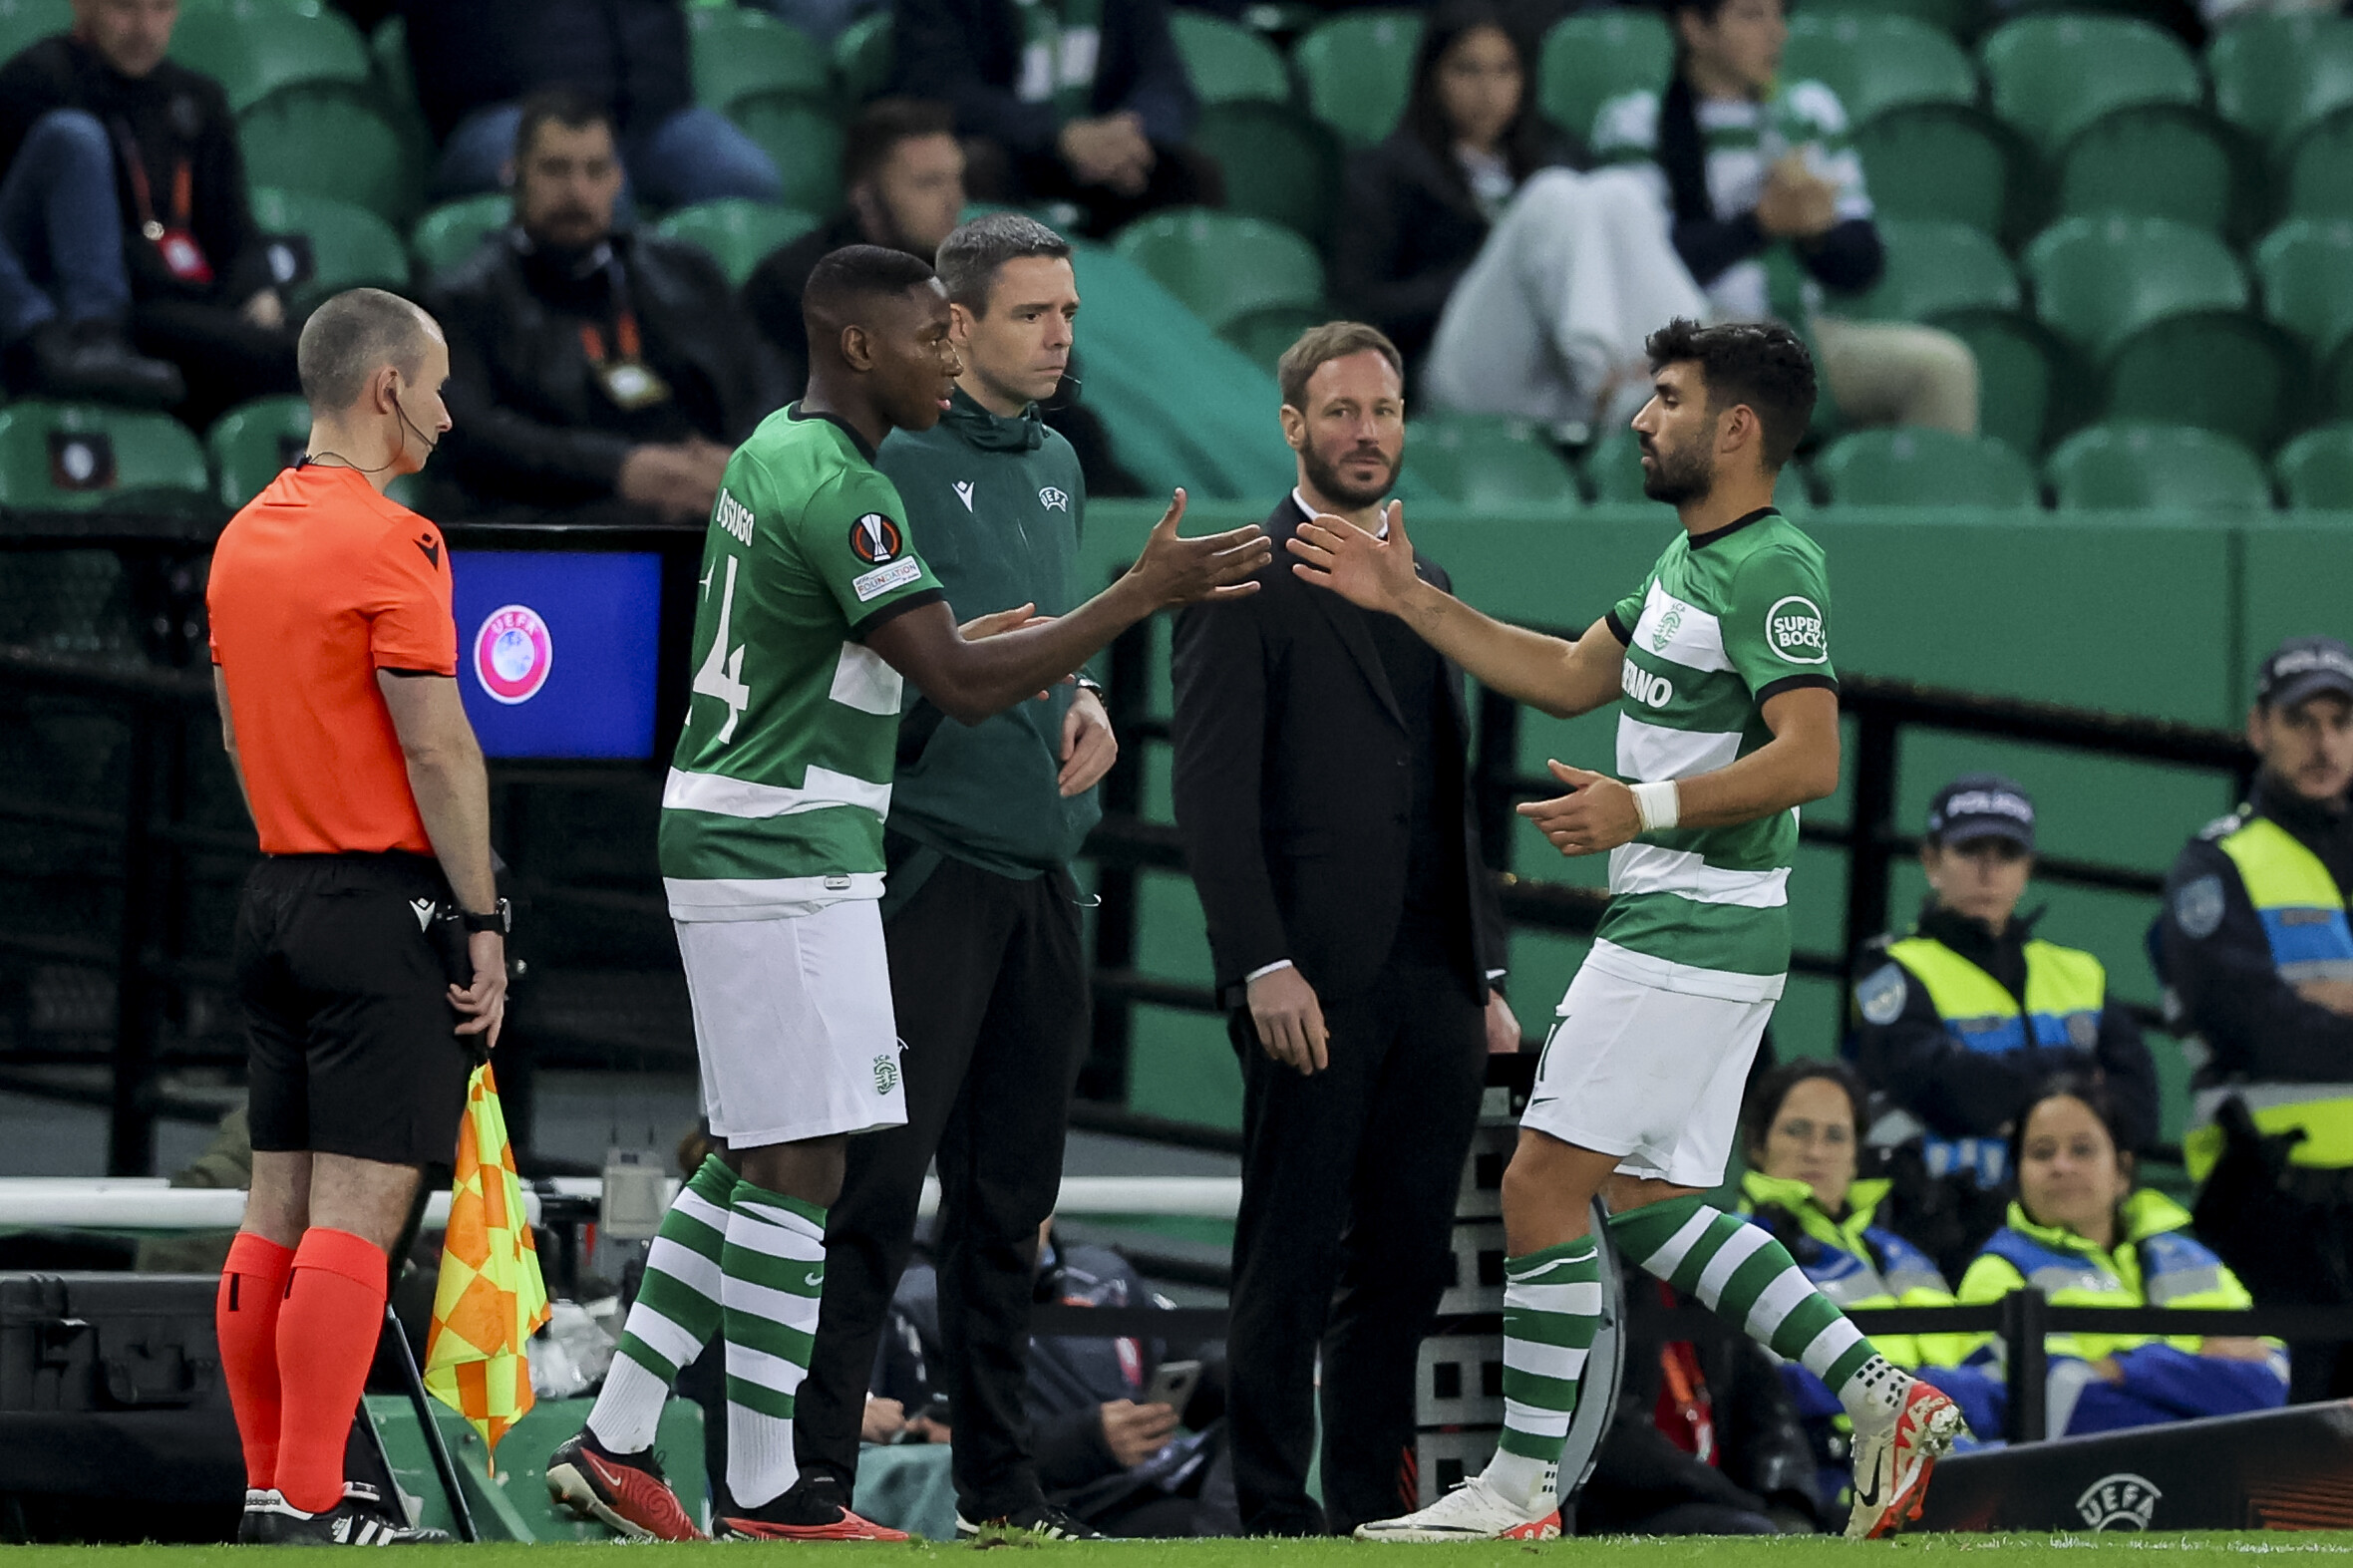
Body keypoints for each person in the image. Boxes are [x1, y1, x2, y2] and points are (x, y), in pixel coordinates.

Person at [541, 242, 1269, 1541]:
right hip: (784, 846)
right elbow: (967, 688)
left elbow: (901, 660)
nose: (951, 354)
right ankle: (763, 1484)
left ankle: (627, 1434)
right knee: (812, 1165)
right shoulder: (851, 490)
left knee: (774, 1154)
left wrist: (972, 651)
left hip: (772, 839)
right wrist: (1139, 594)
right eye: (935, 334)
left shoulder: (778, 448)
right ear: (862, 347)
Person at [1286, 318, 1961, 1543]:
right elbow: (1559, 674)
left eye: (1665, 397)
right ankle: (1883, 1397)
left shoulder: (1770, 567)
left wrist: (1635, 806)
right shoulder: (1684, 561)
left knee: (1541, 1182)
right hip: (1689, 930)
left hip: (1690, 932)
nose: (1642, 419)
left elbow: (1810, 756)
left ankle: (1518, 1493)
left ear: (1736, 427)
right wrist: (1404, 599)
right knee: (1646, 1203)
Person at [781, 214, 1126, 1541]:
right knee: (872, 1192)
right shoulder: (892, 460)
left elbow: (1034, 624)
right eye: (1034, 314)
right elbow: (865, 662)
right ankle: (811, 1478)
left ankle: (1003, 1489)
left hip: (1038, 870)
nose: (1060, 337)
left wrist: (1081, 690)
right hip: (920, 868)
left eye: (1071, 314)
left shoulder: (1056, 464)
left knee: (1010, 1210)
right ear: (957, 326)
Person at [1169, 321, 1519, 1536]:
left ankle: (1370, 1506)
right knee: (1290, 1247)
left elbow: (1452, 791)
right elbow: (1209, 801)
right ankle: (1271, 1509)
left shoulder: (1434, 588)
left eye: (1382, 409)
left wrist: (1481, 970)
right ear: (1291, 428)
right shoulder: (1239, 577)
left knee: (1409, 1258)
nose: (1365, 431)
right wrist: (1258, 960)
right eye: (1340, 411)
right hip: (1307, 979)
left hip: (1431, 979)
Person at [204, 288, 502, 1547]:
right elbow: (437, 749)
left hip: (271, 890)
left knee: (271, 1204)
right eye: (434, 385)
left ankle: (271, 1485)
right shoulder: (396, 542)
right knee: (356, 1213)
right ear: (385, 390)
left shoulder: (239, 534)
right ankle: (320, 1500)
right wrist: (481, 915)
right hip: (381, 902)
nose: (444, 410)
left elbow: (232, 730)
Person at [1589, 0, 1978, 436]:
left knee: (1942, 367)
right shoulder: (1637, 119)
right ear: (1695, 28)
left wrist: (1817, 232)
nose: (1777, 34)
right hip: (1698, 330)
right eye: (1752, 15)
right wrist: (1759, 225)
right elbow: (1644, 268)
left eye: (1778, 15)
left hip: (1802, 330)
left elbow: (1863, 265)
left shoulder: (1809, 110)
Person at [422, 90, 784, 528]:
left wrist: (740, 458)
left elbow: (762, 373)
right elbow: (473, 432)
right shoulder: (465, 299)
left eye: (595, 171)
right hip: (571, 516)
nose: (577, 191)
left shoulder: (688, 272)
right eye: (556, 170)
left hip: (706, 498)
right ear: (513, 174)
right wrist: (620, 468)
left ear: (617, 180)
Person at [1338, 0, 1705, 431]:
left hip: (1553, 381)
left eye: (1504, 71)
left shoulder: (1557, 153)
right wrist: (1482, 268)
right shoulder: (1385, 173)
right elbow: (1360, 307)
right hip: (1456, 371)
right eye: (1467, 70)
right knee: (1550, 198)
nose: (1487, 90)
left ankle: (1691, 365)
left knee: (1620, 192)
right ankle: (1604, 383)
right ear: (1431, 78)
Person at [2161, 634, 2353, 1400]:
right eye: (2302, 719)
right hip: (2273, 1208)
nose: (2324, 740)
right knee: (2289, 1443)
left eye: (2340, 720)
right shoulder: (2218, 863)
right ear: (2258, 727)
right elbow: (2250, 1024)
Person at [1851, 775, 2161, 1193]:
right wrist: (2073, 1068)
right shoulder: (1890, 967)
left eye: (2008, 853)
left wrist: (2000, 1091)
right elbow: (1944, 1090)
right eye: (1970, 849)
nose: (1989, 870)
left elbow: (2140, 1109)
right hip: (1937, 1216)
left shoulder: (2080, 971)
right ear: (1931, 861)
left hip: (2063, 1207)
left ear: (2028, 868)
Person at [0, 0, 298, 420]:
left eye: (161, 8)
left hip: (192, 300)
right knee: (300, 358)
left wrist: (258, 289)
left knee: (333, 327)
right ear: (84, 6)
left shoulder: (198, 97)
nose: (144, 28)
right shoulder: (37, 81)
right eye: (125, 8)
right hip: (116, 306)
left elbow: (233, 228)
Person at [1737, 1059, 2002, 1510]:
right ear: (1757, 1146)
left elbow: (1994, 1384)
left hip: (1957, 1459)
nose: (1816, 1151)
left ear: (1856, 1154)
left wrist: (1907, 1391)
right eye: (1796, 1131)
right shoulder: (1740, 1249)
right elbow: (1768, 1390)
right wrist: (1916, 1395)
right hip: (1838, 1478)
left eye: (1835, 1135)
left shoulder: (1903, 1256)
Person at [1956, 1079, 2287, 1437]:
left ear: (2123, 1171)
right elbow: (2056, 1406)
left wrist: (2124, 1370)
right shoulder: (1998, 1271)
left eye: (2082, 1150)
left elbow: (2270, 1383)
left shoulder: (2191, 1259)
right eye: (2041, 1152)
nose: (2061, 1166)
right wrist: (2202, 1379)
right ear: (2018, 1174)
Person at [868, 1220, 1232, 1537]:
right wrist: (1089, 1442)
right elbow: (918, 1456)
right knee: (1189, 1520)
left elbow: (1194, 1370)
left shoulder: (1105, 1273)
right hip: (1057, 1500)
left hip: (1157, 1476)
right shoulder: (908, 1299)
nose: (1022, 1212)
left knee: (1259, 1428)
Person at [402, 0, 783, 206]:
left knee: (746, 178)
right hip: (511, 112)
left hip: (649, 112)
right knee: (597, 190)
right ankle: (617, 347)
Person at [893, 0, 1214, 237]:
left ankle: (1166, 320)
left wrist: (1133, 133)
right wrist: (1060, 137)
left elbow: (1166, 78)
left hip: (1110, 157)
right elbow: (942, 90)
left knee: (1189, 175)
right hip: (1012, 149)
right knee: (971, 170)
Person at [744, 100, 970, 401]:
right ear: (865, 196)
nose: (954, 201)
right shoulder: (800, 286)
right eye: (928, 184)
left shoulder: (960, 274)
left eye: (956, 179)